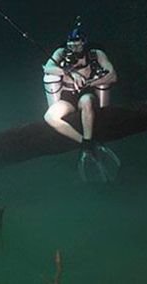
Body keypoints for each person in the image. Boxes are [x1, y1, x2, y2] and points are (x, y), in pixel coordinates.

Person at [42, 18, 120, 181]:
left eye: (77, 44)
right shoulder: (61, 53)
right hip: (67, 96)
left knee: (85, 101)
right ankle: (86, 144)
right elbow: (47, 68)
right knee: (49, 117)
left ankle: (89, 141)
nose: (74, 47)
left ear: (84, 43)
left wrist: (89, 82)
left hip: (86, 93)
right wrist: (69, 73)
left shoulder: (96, 54)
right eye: (71, 45)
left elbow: (112, 75)